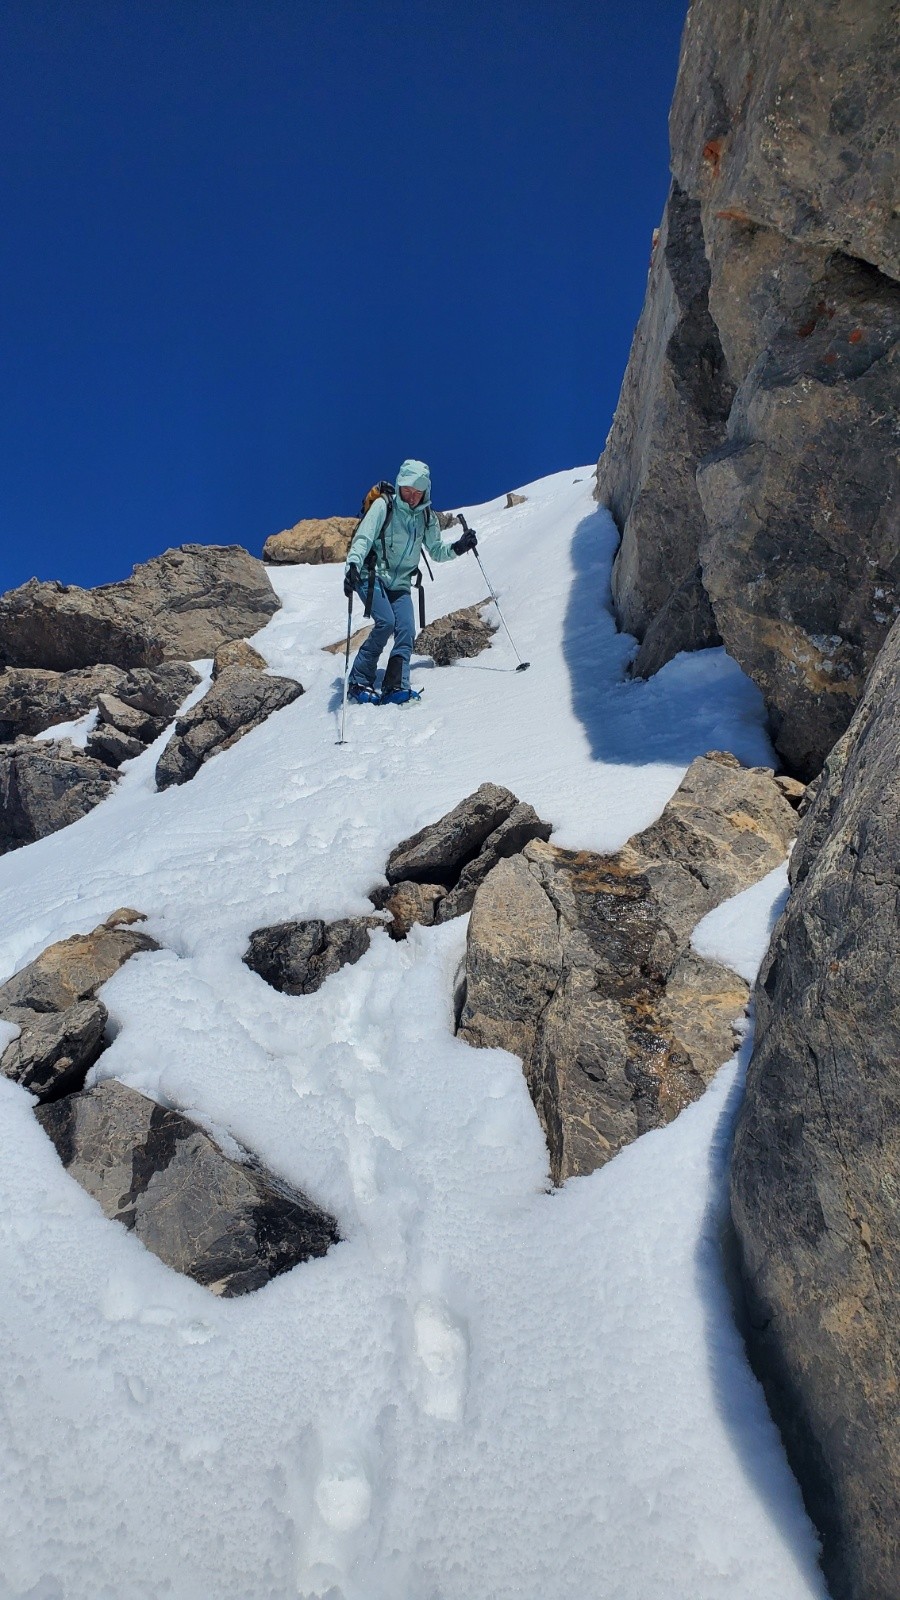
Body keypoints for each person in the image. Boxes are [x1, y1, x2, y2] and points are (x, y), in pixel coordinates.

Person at [343, 459, 477, 704]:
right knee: (386, 622)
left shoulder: (426, 518)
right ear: (399, 486)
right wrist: (352, 565)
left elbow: (436, 550)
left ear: (426, 491)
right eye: (407, 490)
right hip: (370, 575)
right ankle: (358, 680)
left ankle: (395, 686)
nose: (412, 496)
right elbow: (364, 537)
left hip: (401, 583)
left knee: (406, 630)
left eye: (418, 491)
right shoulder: (385, 506)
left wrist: (459, 547)